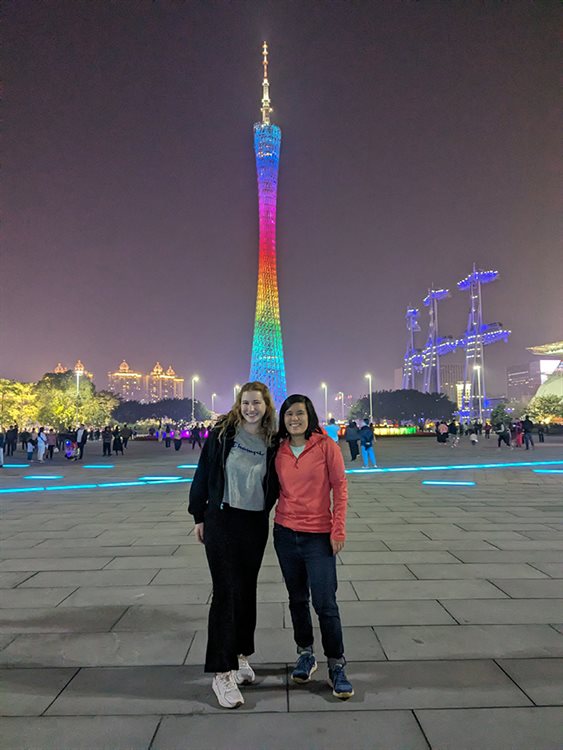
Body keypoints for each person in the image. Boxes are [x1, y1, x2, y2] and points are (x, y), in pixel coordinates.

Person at [188, 382, 279, 710]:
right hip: (222, 521)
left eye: (257, 403)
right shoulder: (222, 434)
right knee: (226, 591)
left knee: (246, 590)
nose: (251, 408)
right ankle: (220, 670)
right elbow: (203, 474)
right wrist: (198, 513)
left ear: (266, 406)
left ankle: (240, 654)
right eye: (246, 403)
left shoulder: (272, 440)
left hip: (254, 525)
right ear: (238, 405)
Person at [274, 394, 354, 700]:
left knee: (325, 603)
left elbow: (340, 488)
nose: (294, 419)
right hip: (285, 533)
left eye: (299, 413)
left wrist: (338, 529)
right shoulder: (278, 449)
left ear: (309, 416)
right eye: (289, 414)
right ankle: (305, 652)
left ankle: (337, 663)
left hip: (319, 535)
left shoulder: (325, 447)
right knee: (296, 598)